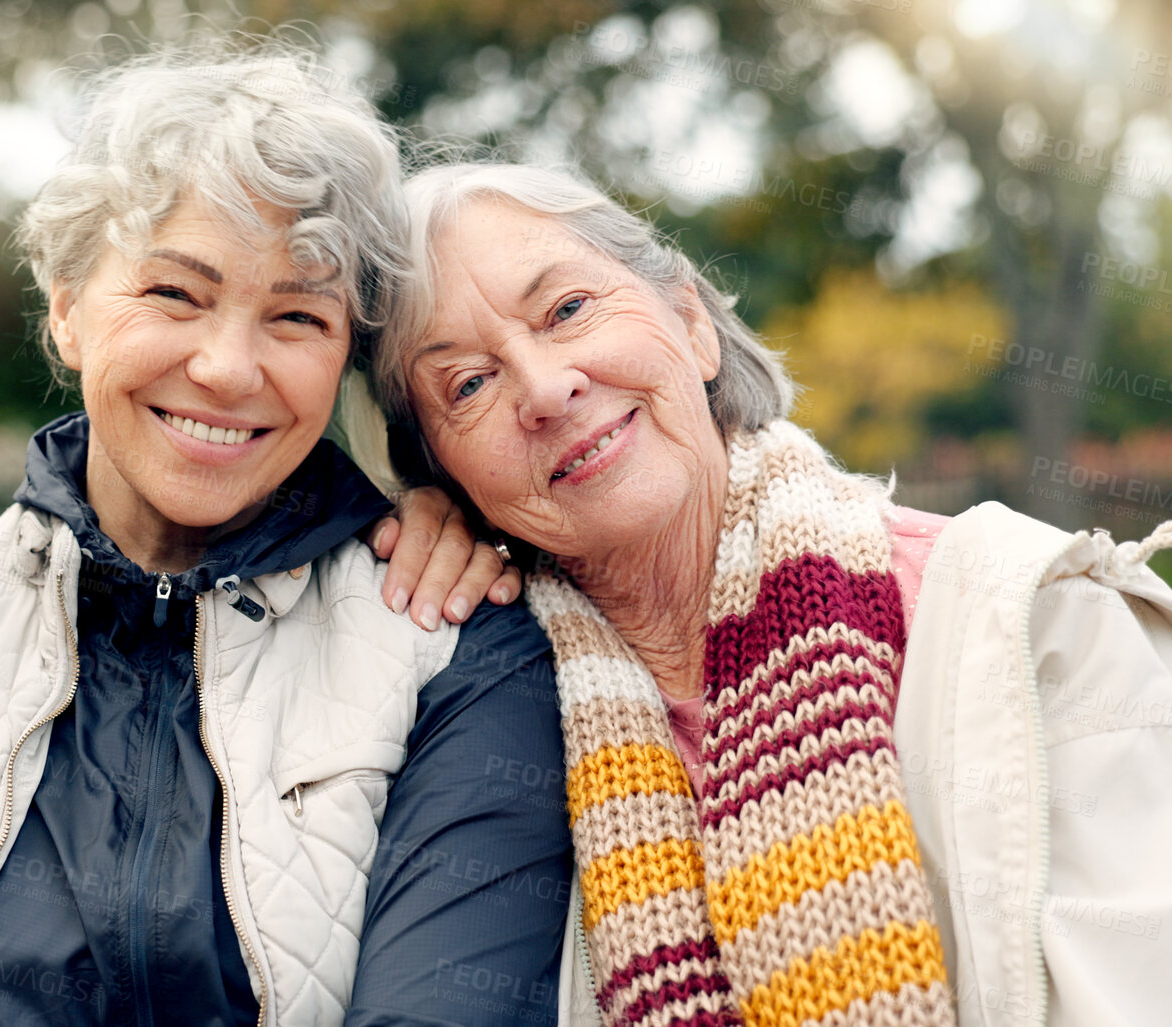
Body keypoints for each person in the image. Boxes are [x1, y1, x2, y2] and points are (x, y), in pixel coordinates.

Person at [0, 49, 573, 1027]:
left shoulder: (464, 648)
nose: (228, 366)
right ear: (68, 309)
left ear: (344, 356)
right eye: (176, 294)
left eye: (296, 315)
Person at [352, 162, 1172, 1026]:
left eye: (566, 310)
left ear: (691, 322)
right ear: (443, 476)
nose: (547, 389)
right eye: (467, 386)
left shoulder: (1034, 618)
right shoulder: (473, 709)